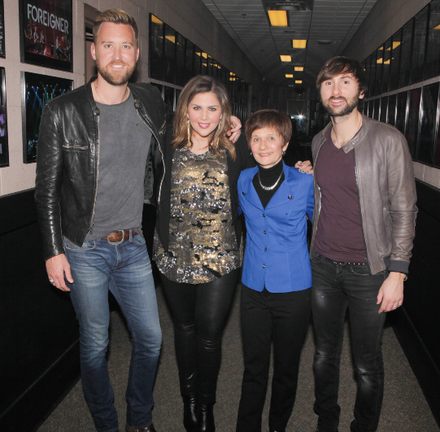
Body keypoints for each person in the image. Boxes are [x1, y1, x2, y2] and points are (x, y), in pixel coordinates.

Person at [35, 10, 165, 432]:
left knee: (151, 339)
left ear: (137, 53)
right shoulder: (61, 111)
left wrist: (228, 125)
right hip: (84, 248)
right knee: (95, 346)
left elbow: (187, 131)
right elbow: (46, 189)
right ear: (93, 52)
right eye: (108, 45)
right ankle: (107, 423)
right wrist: (53, 251)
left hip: (133, 247)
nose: (117, 54)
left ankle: (138, 419)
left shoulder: (150, 103)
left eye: (125, 46)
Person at [309, 56, 417, 432]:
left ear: (361, 90)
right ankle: (327, 420)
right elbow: (325, 199)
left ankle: (364, 427)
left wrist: (397, 272)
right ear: (320, 92)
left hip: (370, 271)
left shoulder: (388, 139)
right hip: (323, 264)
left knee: (366, 364)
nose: (335, 91)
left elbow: (405, 210)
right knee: (323, 355)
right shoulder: (318, 141)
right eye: (328, 83)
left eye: (344, 82)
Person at [153, 75, 251, 432]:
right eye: (197, 107)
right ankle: (189, 399)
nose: (205, 116)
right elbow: (145, 98)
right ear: (185, 109)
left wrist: (305, 171)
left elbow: (270, 162)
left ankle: (206, 404)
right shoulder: (167, 142)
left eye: (213, 108)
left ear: (224, 111)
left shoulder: (235, 149)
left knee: (209, 335)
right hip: (173, 255)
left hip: (221, 257)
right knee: (184, 328)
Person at [236, 109, 314, 432]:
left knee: (285, 369)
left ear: (284, 144)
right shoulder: (242, 180)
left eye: (271, 138)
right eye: (256, 138)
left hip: (294, 291)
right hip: (253, 288)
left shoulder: (306, 181)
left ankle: (277, 426)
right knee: (254, 367)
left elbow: (326, 225)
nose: (263, 145)